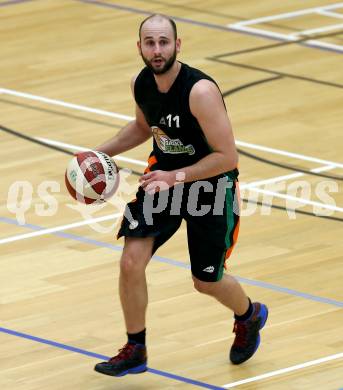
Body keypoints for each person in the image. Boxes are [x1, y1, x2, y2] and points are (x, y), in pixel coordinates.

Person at [93, 14, 268, 377]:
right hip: (162, 180)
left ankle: (249, 315)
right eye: (150, 43)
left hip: (210, 185)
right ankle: (136, 348)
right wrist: (99, 154)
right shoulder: (140, 83)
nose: (157, 51)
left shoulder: (199, 91)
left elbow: (227, 157)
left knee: (206, 280)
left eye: (163, 42)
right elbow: (144, 127)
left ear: (177, 45)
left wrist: (177, 176)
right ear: (139, 46)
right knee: (130, 263)